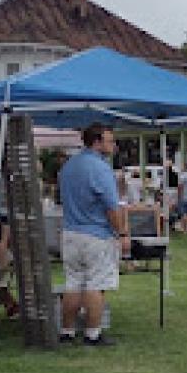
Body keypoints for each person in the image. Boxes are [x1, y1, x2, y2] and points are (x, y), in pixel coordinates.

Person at [57, 124, 127, 347]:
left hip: (70, 232)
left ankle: (67, 331)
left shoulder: (68, 166)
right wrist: (122, 232)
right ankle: (92, 334)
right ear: (97, 142)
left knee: (72, 283)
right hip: (95, 234)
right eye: (110, 141)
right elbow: (111, 206)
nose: (113, 145)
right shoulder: (100, 168)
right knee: (96, 285)